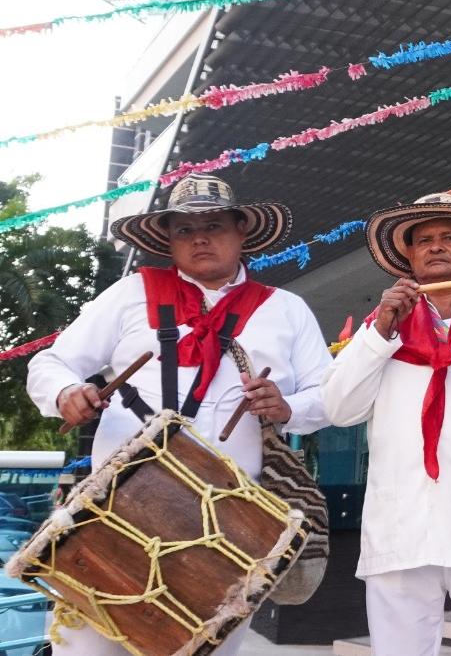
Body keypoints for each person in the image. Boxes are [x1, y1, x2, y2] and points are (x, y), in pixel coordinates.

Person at [26, 174, 331, 656]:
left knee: (203, 651)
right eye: (185, 230)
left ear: (241, 231)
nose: (201, 238)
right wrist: (67, 391)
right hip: (119, 506)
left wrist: (290, 406)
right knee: (89, 648)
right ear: (168, 240)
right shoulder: (129, 294)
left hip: (231, 517)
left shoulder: (286, 309)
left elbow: (328, 396)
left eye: (214, 225)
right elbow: (50, 363)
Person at [321, 193, 451, 656]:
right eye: (424, 241)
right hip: (401, 525)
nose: (435, 247)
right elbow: (339, 409)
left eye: (450, 237)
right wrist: (379, 331)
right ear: (409, 257)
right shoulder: (384, 328)